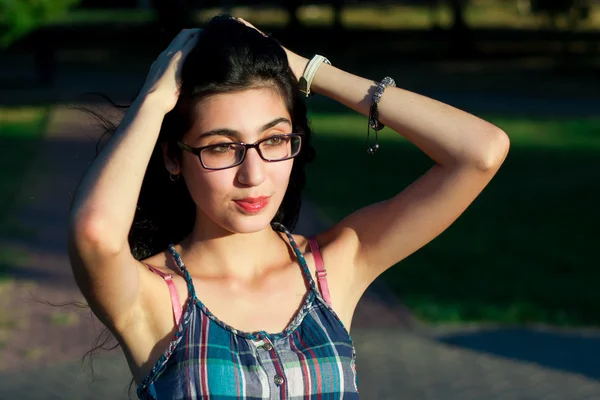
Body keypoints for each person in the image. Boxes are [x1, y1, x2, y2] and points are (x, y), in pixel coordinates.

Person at [67, 15, 509, 399]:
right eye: (222, 147)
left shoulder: (335, 266)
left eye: (274, 139)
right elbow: (96, 233)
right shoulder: (154, 296)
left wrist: (306, 69)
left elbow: (480, 152)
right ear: (172, 156)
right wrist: (155, 99)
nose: (253, 174)